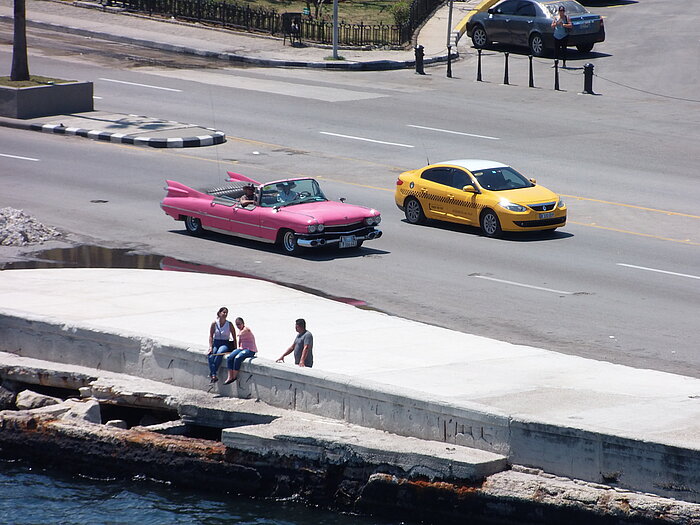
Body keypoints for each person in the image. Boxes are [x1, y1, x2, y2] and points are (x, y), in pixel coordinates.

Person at [224, 317, 258, 384]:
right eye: (237, 325)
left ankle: (234, 376)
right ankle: (229, 376)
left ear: (243, 323)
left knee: (238, 358)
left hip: (250, 349)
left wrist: (239, 334)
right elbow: (240, 341)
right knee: (230, 357)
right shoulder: (240, 330)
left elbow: (243, 332)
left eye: (239, 324)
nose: (238, 326)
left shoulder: (246, 329)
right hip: (242, 348)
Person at [207, 307, 236, 383]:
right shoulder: (214, 323)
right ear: (219, 313)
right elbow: (210, 336)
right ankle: (213, 375)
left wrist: (235, 348)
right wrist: (210, 347)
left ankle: (213, 374)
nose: (225, 314)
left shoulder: (229, 324)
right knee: (211, 355)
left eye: (226, 313)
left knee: (219, 353)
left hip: (225, 342)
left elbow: (234, 337)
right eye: (223, 312)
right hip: (216, 342)